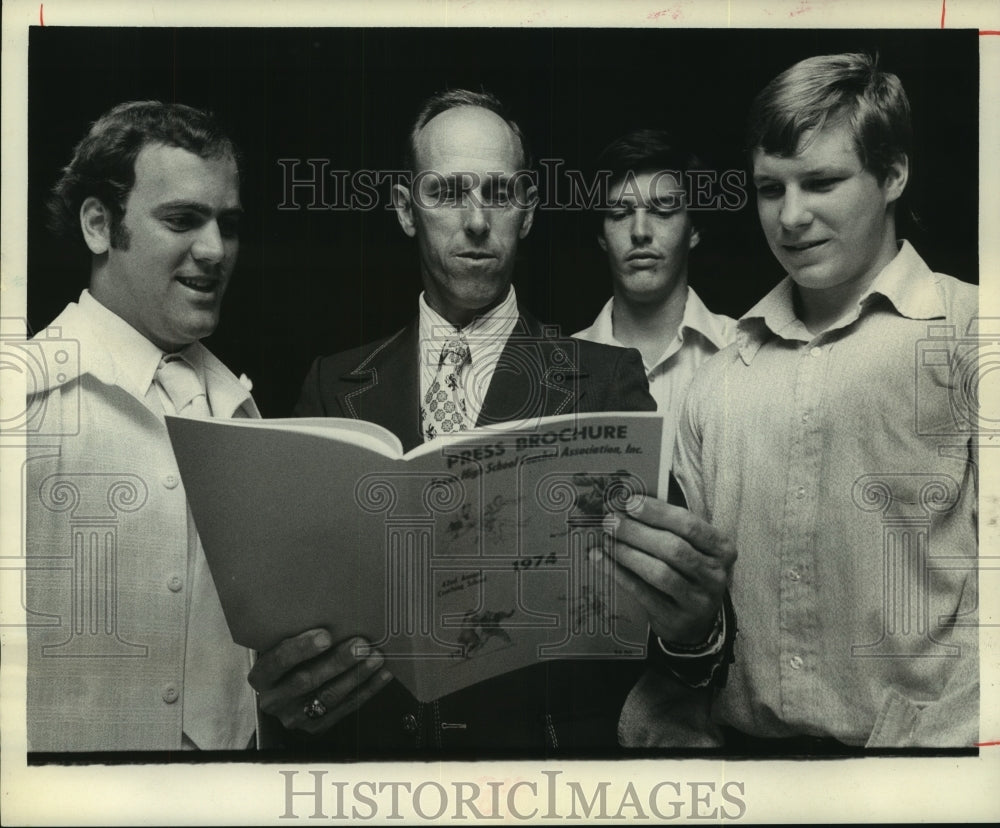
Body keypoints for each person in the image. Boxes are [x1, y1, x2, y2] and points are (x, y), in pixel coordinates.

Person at [250, 89, 657, 755]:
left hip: (544, 777)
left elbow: (658, 603)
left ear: (526, 210)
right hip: (372, 777)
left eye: (497, 192)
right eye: (446, 193)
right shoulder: (332, 384)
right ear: (406, 210)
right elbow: (290, 601)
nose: (475, 221)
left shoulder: (608, 380)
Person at [615, 52, 978, 749]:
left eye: (822, 182)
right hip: (748, 774)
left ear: (894, 174)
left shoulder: (973, 337)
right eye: (769, 188)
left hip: (931, 778)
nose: (791, 216)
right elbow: (692, 619)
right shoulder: (717, 381)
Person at [24, 101, 260, 751]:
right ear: (99, 225)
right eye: (183, 219)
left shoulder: (244, 409)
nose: (214, 251)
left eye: (229, 224)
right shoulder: (21, 401)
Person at [574, 129, 736, 467]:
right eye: (619, 214)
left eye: (662, 211)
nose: (640, 231)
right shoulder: (561, 368)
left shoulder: (742, 352)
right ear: (601, 236)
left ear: (694, 230)